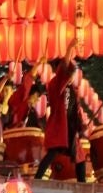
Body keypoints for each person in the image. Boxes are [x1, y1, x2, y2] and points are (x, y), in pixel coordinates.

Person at [34, 42, 86, 182]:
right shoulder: (56, 84)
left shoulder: (73, 90)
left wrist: (81, 125)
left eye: (72, 73)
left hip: (69, 128)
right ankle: (37, 179)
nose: (71, 75)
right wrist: (70, 47)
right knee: (53, 152)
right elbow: (65, 66)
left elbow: (76, 110)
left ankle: (83, 185)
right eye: (70, 72)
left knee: (80, 157)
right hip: (59, 127)